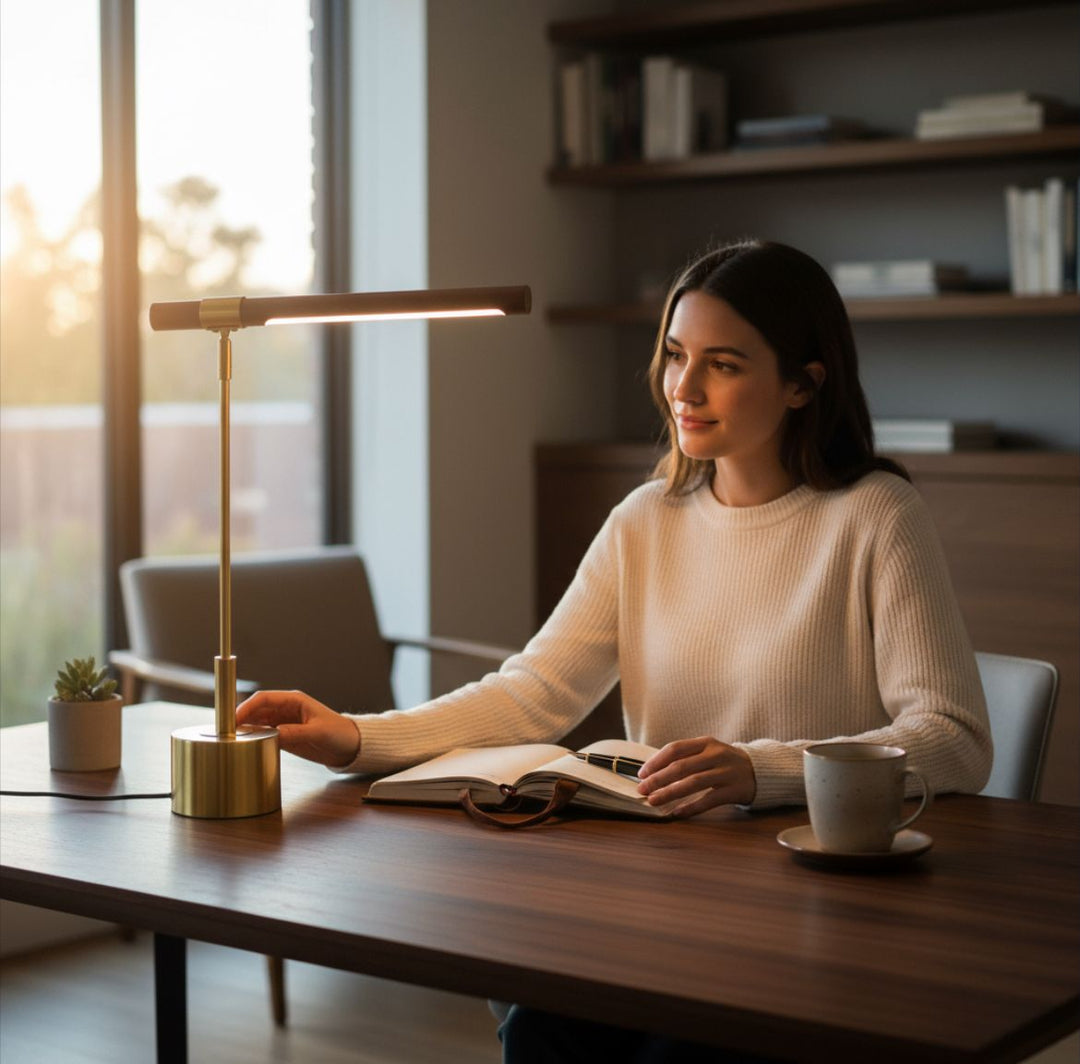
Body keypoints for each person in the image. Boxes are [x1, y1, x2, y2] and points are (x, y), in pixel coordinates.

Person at [237, 239, 992, 1061]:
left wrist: (757, 769)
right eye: (675, 355)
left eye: (725, 364)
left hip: (811, 909)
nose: (684, 389)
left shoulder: (876, 515)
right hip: (666, 898)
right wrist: (355, 735)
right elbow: (535, 693)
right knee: (543, 1033)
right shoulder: (646, 519)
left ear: (805, 382)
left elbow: (954, 737)